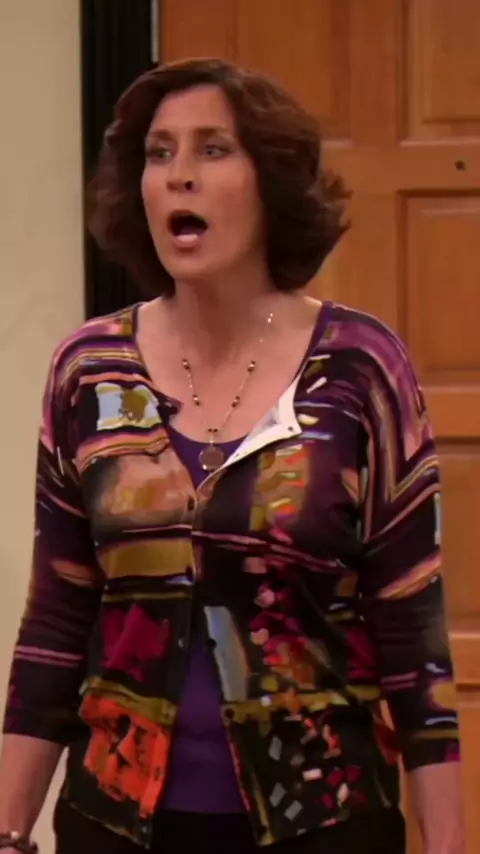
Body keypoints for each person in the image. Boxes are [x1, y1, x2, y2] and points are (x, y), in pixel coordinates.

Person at [0, 57, 465, 854]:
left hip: (326, 821)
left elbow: (412, 633)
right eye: (160, 154)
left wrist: (450, 842)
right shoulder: (90, 370)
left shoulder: (360, 366)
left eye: (213, 150)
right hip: (117, 823)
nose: (179, 176)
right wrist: (8, 831)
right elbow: (56, 620)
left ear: (269, 183)